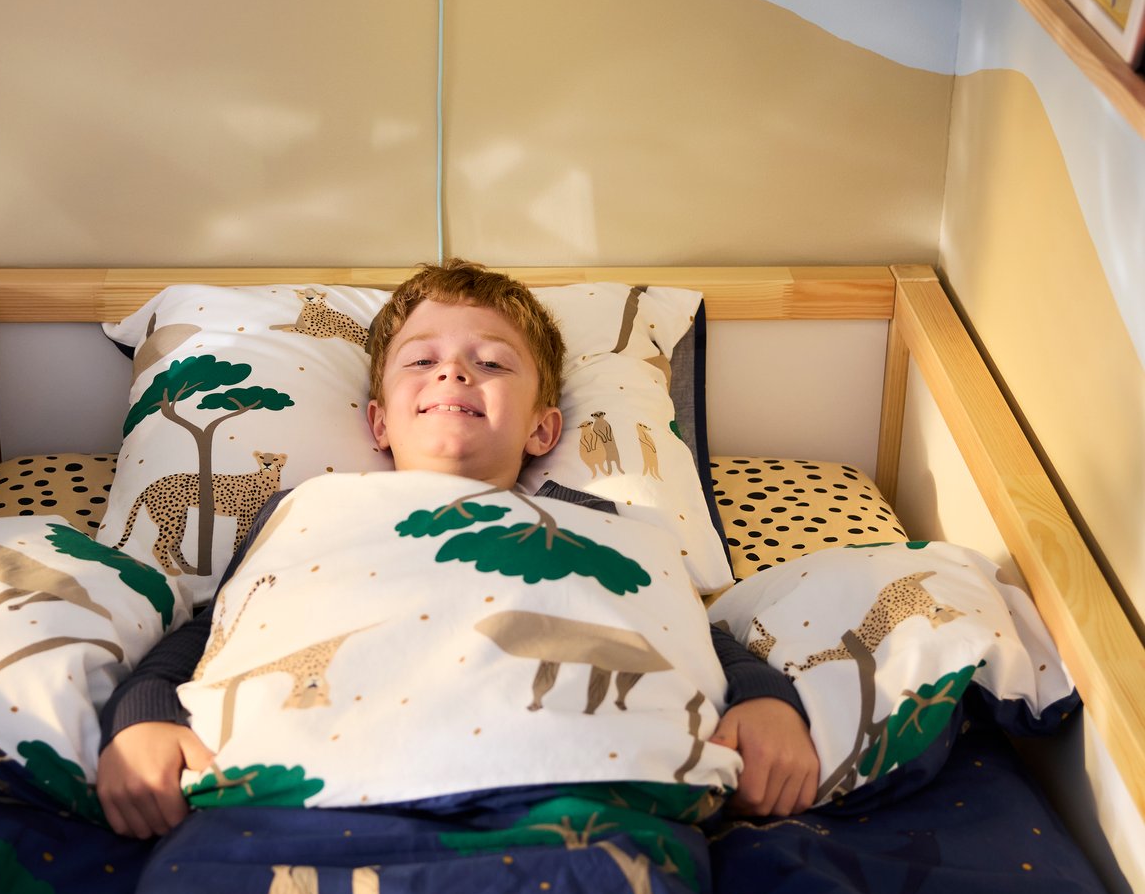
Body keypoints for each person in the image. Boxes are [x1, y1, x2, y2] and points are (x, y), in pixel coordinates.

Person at [96, 259, 820, 839]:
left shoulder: (610, 526)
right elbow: (217, 632)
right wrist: (146, 715)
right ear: (377, 423)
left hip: (569, 804)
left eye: (493, 364)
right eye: (422, 361)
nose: (454, 373)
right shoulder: (310, 510)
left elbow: (685, 633)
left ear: (544, 431)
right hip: (298, 804)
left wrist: (765, 703)